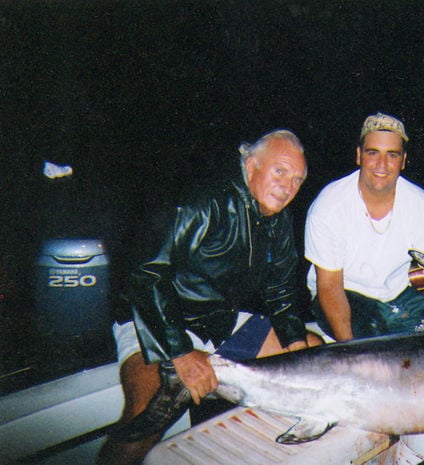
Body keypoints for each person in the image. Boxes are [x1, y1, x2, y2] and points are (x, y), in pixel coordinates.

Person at [97, 129, 320, 465]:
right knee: (146, 414)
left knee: (313, 352)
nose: (288, 186)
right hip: (155, 319)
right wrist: (182, 353)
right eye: (280, 171)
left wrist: (294, 343)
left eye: (297, 179)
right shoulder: (206, 200)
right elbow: (146, 276)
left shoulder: (279, 217)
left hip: (218, 321)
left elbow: (281, 288)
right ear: (250, 165)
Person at [304, 112, 424, 341]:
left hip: (398, 295)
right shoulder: (329, 206)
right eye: (373, 153)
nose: (382, 164)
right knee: (374, 342)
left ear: (403, 160)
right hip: (345, 293)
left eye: (392, 155)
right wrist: (350, 350)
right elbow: (330, 287)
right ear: (359, 155)